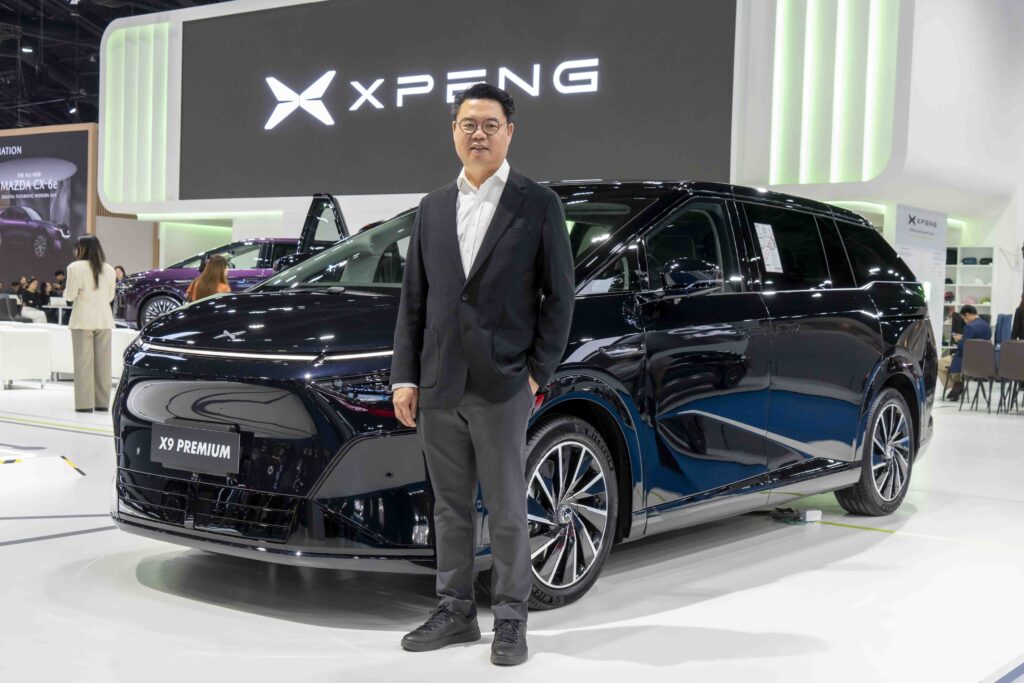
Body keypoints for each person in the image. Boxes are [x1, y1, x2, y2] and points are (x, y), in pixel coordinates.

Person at [391, 83, 574, 667]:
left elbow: (560, 298)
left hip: (503, 384)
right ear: (453, 131)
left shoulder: (537, 203)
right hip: (439, 383)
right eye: (468, 124)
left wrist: (536, 373)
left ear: (509, 133)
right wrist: (404, 376)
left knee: (506, 508)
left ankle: (511, 619)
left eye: (490, 125)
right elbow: (414, 300)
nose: (479, 134)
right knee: (449, 508)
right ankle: (456, 611)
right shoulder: (432, 207)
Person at [64, 235, 116, 412]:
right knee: (104, 365)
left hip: (82, 319)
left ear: (81, 248)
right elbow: (110, 297)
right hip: (104, 319)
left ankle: (84, 404)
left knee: (83, 364)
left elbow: (69, 295)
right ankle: (102, 403)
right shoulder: (109, 269)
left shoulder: (74, 267)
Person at [942, 304, 993, 401]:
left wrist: (958, 340)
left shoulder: (969, 327)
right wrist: (963, 338)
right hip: (981, 361)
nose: (965, 321)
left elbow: (963, 347)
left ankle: (956, 386)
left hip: (966, 360)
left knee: (940, 364)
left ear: (968, 314)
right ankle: (957, 386)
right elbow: (976, 341)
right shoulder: (987, 326)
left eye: (964, 319)